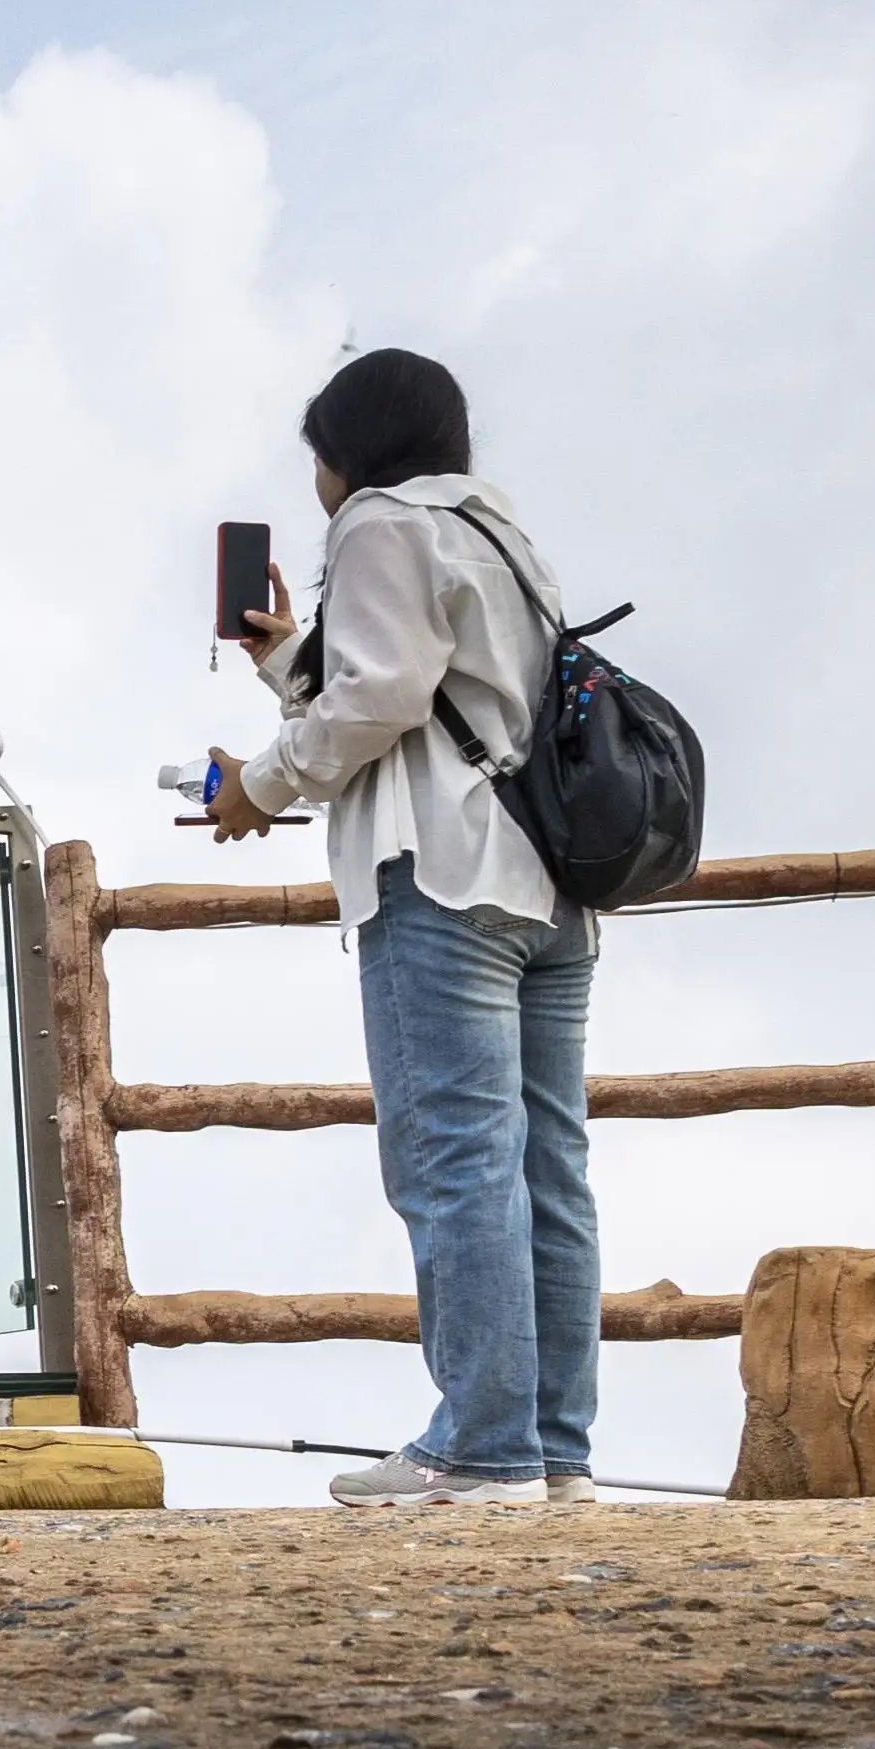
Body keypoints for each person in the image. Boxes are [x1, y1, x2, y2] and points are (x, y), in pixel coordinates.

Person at [207, 350, 606, 1508]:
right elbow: (433, 694)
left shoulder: (382, 521)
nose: (321, 485)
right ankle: (552, 1447)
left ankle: (479, 1450)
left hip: (440, 874)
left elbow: (380, 702)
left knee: (456, 1161)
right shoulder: (501, 533)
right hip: (549, 885)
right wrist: (288, 659)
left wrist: (263, 785)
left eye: (320, 458)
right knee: (547, 1167)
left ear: (351, 449)